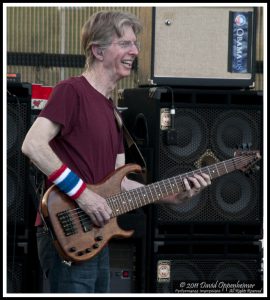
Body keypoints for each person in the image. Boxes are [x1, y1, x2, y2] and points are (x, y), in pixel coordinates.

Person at [21, 11, 211, 293]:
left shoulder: (112, 111)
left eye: (134, 44)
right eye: (125, 43)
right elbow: (32, 145)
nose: (134, 51)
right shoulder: (71, 91)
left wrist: (171, 195)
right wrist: (84, 196)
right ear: (98, 50)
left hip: (96, 236)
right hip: (67, 231)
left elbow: (118, 182)